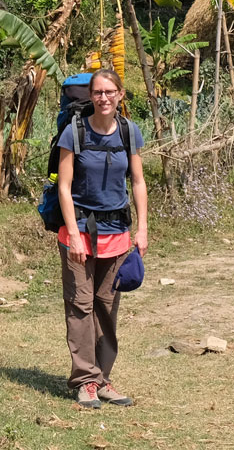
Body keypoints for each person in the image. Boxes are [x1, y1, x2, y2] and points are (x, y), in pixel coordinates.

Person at [55, 66, 148, 409]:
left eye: (110, 92)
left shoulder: (128, 132)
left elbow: (137, 182)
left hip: (118, 235)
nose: (104, 98)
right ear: (91, 96)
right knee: (81, 306)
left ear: (121, 95)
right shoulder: (73, 132)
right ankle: (84, 381)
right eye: (98, 92)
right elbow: (64, 188)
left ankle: (102, 379)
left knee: (107, 308)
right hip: (78, 233)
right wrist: (76, 235)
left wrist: (142, 228)